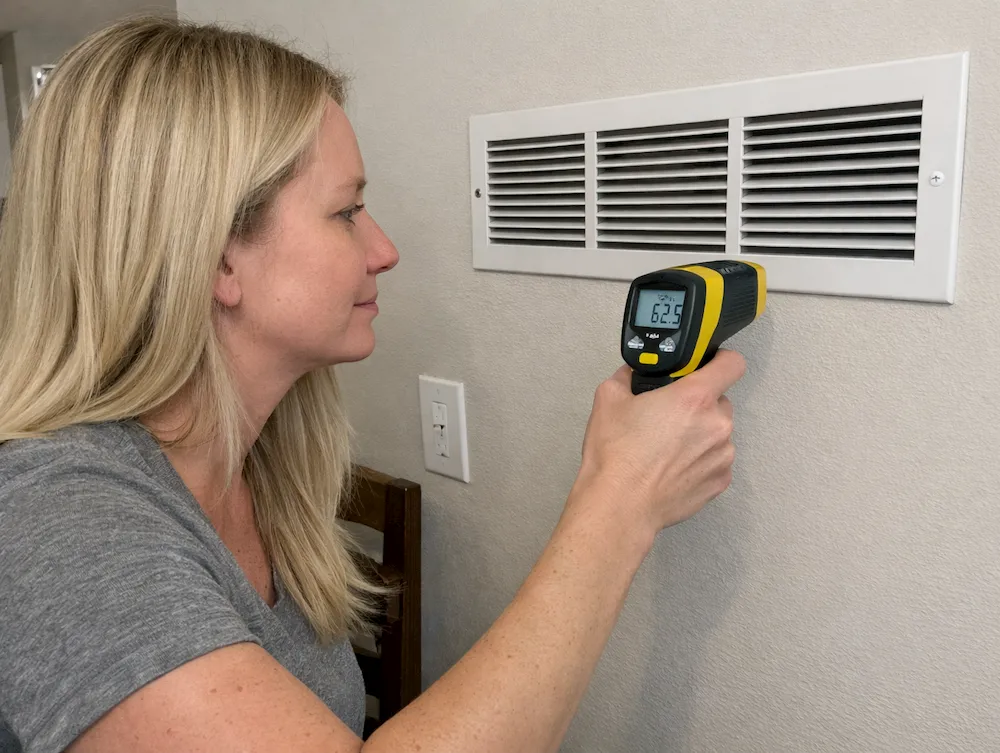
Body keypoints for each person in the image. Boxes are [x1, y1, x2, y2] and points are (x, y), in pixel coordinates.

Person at [0, 16, 745, 753]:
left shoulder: (257, 468)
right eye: (346, 211)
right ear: (219, 257)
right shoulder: (56, 518)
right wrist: (620, 501)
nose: (383, 249)